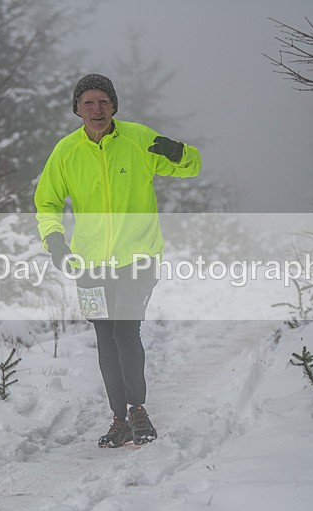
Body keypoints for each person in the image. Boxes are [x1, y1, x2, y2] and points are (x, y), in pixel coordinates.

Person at [34, 74, 201, 447]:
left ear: (114, 107)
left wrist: (178, 151)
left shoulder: (138, 139)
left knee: (125, 330)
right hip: (88, 265)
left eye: (104, 102)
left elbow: (192, 166)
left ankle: (138, 410)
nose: (97, 109)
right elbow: (46, 203)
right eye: (89, 103)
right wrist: (56, 242)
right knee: (104, 336)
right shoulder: (65, 152)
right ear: (77, 109)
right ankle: (118, 418)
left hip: (138, 259)